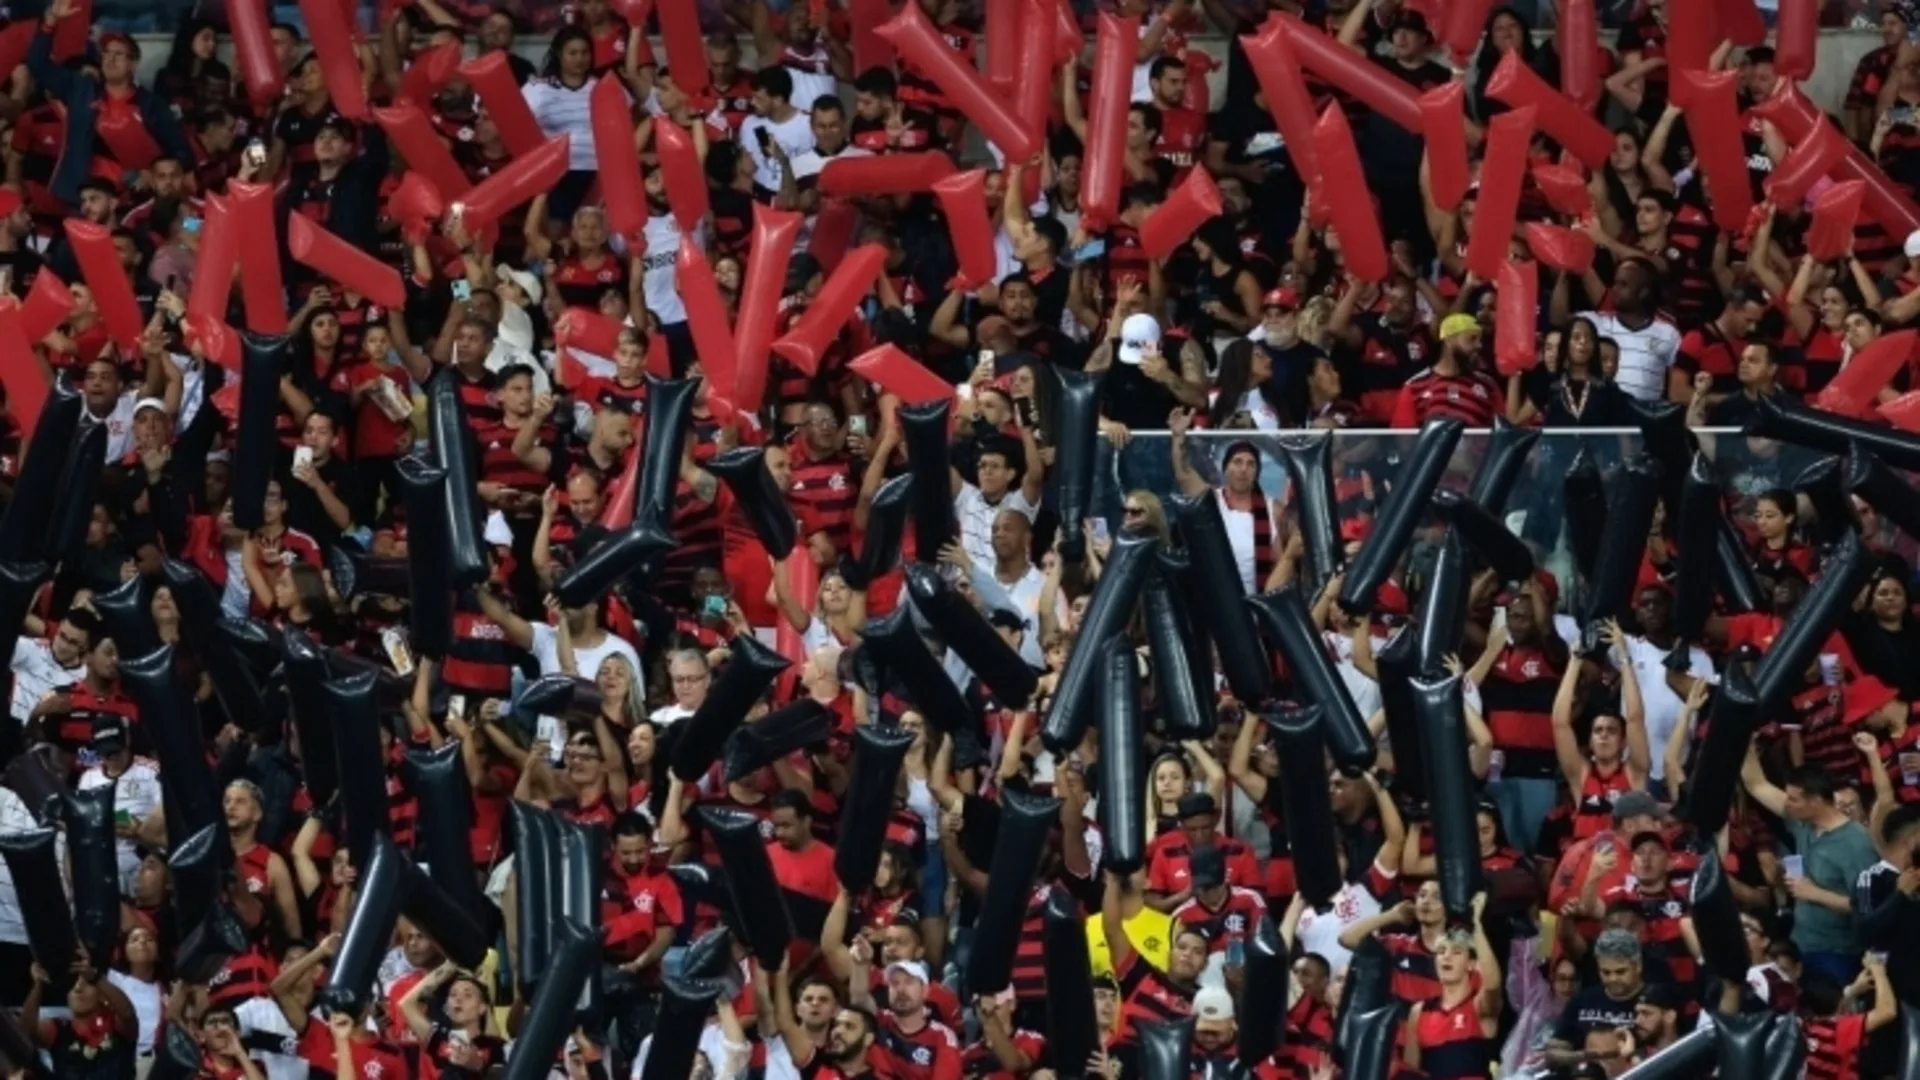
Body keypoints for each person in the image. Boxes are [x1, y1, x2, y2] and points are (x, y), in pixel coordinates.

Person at [1739, 754, 1882, 984]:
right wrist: (1742, 731)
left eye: (1794, 799)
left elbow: (1868, 905)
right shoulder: (1804, 824)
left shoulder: (1857, 845)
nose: (1787, 804)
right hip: (1799, 943)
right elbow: (1756, 784)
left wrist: (1814, 894)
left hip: (1837, 953)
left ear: (1815, 801)